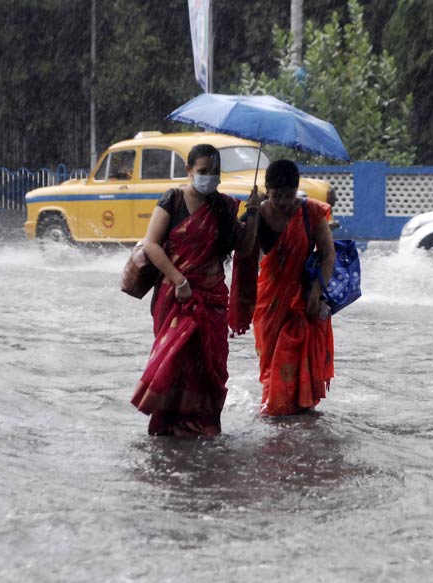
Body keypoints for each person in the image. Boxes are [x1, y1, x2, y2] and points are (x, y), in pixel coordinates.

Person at [130, 144, 262, 436]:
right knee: (175, 362)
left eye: (215, 172)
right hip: (176, 296)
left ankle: (203, 425)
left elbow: (244, 247)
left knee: (209, 366)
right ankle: (168, 425)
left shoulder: (225, 207)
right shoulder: (173, 199)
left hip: (212, 298)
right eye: (203, 172)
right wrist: (180, 281)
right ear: (189, 171)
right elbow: (151, 244)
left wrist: (252, 212)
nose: (209, 177)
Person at [253, 159, 336, 416]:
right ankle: (274, 407)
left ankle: (300, 405)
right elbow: (243, 252)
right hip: (269, 300)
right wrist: (251, 214)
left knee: (299, 356)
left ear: (297, 189)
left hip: (302, 300)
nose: (283, 202)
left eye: (289, 195)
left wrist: (315, 292)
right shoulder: (258, 212)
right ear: (267, 190)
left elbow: (328, 255)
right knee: (270, 359)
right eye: (277, 195)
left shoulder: (311, 212)